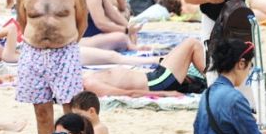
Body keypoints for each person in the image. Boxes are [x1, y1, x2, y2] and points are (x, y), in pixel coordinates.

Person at [14, 0, 88, 134]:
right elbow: (22, 20)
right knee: (42, 112)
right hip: (34, 51)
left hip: (64, 50)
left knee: (70, 111)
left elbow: (81, 20)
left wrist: (68, 42)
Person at [80, 37, 208, 98]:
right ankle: (215, 80)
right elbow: (127, 94)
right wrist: (165, 93)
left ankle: (213, 79)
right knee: (192, 44)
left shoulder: (88, 76)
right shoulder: (89, 84)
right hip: (156, 83)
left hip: (155, 77)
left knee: (187, 48)